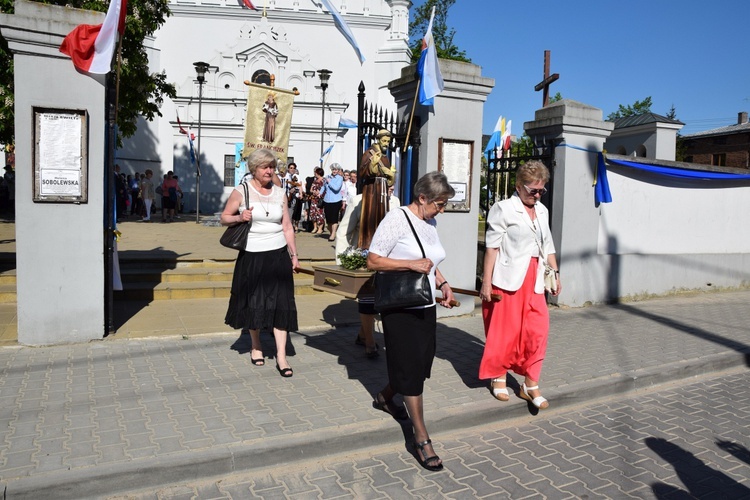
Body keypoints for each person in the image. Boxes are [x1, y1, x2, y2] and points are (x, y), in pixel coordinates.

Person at [366, 171, 456, 472]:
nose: (442, 210)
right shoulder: (396, 220)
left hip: (426, 303)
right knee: (412, 370)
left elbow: (431, 259)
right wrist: (409, 264)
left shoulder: (430, 222)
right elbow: (373, 260)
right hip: (401, 306)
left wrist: (443, 283)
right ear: (422, 198)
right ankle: (421, 436)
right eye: (440, 204)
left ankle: (385, 397)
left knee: (419, 362)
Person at [479, 160, 561, 410]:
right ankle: (499, 375)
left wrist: (555, 273)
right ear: (518, 185)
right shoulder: (503, 209)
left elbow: (547, 245)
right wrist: (486, 281)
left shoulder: (543, 211)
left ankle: (530, 382)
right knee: (507, 332)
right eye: (532, 190)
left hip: (535, 279)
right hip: (508, 280)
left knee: (538, 332)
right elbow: (492, 248)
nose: (537, 195)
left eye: (541, 190)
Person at [221, 149, 299, 377]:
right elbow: (224, 217)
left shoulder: (280, 193)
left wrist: (294, 255)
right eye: (265, 167)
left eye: (272, 167)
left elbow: (287, 227)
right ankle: (256, 346)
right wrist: (239, 217)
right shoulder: (241, 190)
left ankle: (282, 356)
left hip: (278, 255)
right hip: (252, 255)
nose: (269, 171)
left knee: (281, 303)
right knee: (254, 301)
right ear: (254, 169)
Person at [358, 129, 396, 249]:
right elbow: (362, 172)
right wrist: (372, 166)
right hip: (372, 189)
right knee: (371, 216)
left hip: (383, 189)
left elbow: (389, 180)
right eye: (384, 141)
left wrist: (391, 175)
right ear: (378, 140)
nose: (386, 144)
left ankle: (380, 245)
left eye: (388, 142)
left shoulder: (385, 157)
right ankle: (367, 244)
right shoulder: (369, 153)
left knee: (382, 217)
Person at [320, 164, 344, 241]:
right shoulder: (327, 177)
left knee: (334, 218)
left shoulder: (340, 178)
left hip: (336, 200)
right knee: (328, 219)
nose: (334, 171)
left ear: (338, 171)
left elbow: (336, 188)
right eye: (333, 169)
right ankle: (331, 232)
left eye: (336, 170)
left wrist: (329, 182)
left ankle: (333, 233)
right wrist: (319, 193)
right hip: (327, 200)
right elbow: (323, 187)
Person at [308, 167, 326, 235]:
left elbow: (325, 190)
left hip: (320, 199)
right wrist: (314, 191)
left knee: (320, 213)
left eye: (316, 172)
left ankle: (320, 228)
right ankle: (315, 227)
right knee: (313, 213)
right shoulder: (315, 181)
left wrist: (319, 193)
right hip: (314, 199)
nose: (315, 174)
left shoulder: (324, 180)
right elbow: (310, 189)